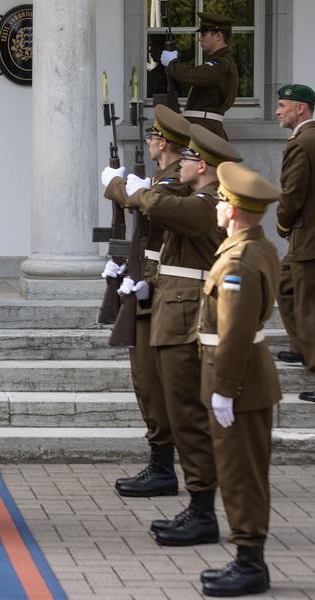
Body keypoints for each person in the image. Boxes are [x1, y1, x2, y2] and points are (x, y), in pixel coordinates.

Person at [124, 125, 242, 546]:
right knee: (180, 413)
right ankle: (198, 506)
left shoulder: (205, 205)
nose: (183, 163)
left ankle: (203, 512)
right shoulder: (197, 200)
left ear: (204, 167)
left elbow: (157, 204)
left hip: (186, 315)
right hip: (173, 309)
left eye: (189, 159)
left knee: (189, 418)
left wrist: (127, 187)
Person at [197, 162, 282, 597]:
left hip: (239, 379)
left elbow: (233, 333)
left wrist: (224, 389)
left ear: (232, 209)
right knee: (244, 471)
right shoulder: (256, 246)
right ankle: (249, 557)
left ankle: (249, 561)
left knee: (240, 473)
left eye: (219, 200)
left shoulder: (240, 261)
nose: (215, 206)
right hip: (247, 376)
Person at [100, 106, 192, 497]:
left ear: (163, 142)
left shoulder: (173, 181)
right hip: (145, 278)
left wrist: (117, 186)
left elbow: (149, 203)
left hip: (158, 285)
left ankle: (165, 468)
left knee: (154, 381)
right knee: (144, 378)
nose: (151, 142)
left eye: (154, 137)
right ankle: (159, 462)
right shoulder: (162, 178)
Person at [272, 84, 315, 402]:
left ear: (301, 109)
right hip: (307, 234)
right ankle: (302, 348)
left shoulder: (301, 142)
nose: (277, 111)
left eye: (282, 105)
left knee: (308, 306)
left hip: (307, 235)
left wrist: (283, 223)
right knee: (285, 284)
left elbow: (292, 193)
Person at [160, 12, 239, 139]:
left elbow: (193, 76)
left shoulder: (221, 63)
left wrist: (172, 63)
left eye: (204, 34)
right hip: (202, 127)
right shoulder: (219, 61)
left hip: (206, 130)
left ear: (218, 36)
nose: (200, 39)